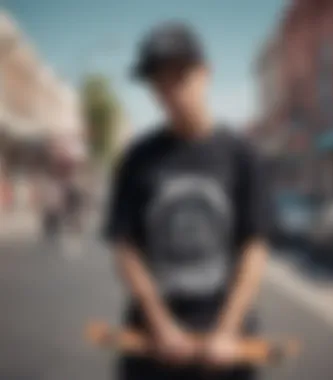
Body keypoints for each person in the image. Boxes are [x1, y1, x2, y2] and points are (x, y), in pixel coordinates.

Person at [104, 21, 269, 380]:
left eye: (179, 76)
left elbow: (253, 246)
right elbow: (125, 246)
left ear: (205, 73)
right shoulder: (137, 157)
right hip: (151, 346)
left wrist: (227, 330)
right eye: (158, 82)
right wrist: (160, 323)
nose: (169, 91)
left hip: (227, 349)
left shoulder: (242, 155)